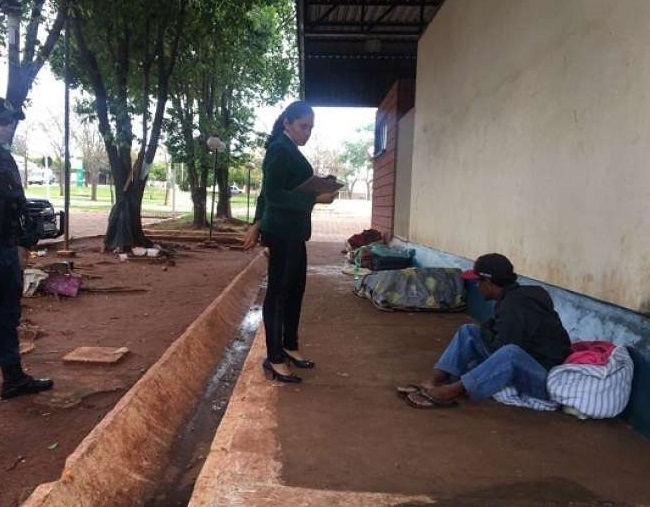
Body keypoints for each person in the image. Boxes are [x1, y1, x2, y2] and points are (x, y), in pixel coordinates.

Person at [242, 101, 338, 383]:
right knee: (278, 294)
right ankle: (274, 358)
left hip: (293, 232)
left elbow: (268, 193)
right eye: (302, 126)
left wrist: (320, 184)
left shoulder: (289, 150)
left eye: (310, 128)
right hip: (282, 232)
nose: (307, 133)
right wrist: (315, 198)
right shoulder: (279, 149)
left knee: (295, 290)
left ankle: (289, 345)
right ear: (287, 122)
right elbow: (273, 197)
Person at [399, 253, 571, 408]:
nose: (476, 287)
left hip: (543, 377)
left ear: (488, 283)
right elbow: (495, 333)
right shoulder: (513, 298)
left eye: (478, 282)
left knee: (509, 353)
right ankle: (433, 381)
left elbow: (504, 350)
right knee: (468, 331)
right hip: (528, 361)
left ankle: (452, 390)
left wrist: (487, 335)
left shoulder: (516, 305)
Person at [0, 98, 54, 399]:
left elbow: (15, 207)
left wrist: (21, 244)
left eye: (9, 122)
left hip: (7, 248)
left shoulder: (5, 159)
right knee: (6, 313)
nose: (9, 128)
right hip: (3, 252)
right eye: (5, 122)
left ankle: (13, 377)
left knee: (7, 316)